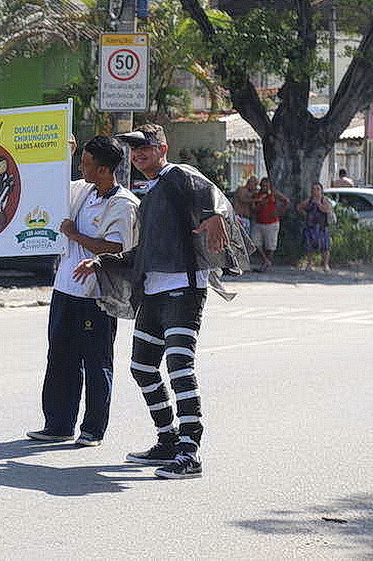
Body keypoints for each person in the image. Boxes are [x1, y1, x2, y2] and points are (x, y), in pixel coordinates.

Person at [73, 123, 252, 480]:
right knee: (142, 367)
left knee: (180, 367)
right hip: (153, 291)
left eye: (145, 148)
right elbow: (147, 249)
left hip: (183, 289)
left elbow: (213, 194)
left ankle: (190, 452)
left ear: (163, 148)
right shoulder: (150, 192)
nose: (138, 154)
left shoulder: (179, 175)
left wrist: (216, 215)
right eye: (134, 150)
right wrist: (104, 261)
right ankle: (167, 438)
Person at [26, 136, 139, 447]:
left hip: (96, 295)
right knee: (60, 357)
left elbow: (116, 247)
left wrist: (75, 235)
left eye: (87, 164)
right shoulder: (84, 190)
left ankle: (92, 430)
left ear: (104, 169)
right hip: (65, 288)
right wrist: (66, 153)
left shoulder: (123, 204)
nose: (82, 168)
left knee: (96, 361)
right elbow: (55, 186)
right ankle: (58, 425)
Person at [250, 177, 289, 271]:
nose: (265, 187)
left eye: (267, 185)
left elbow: (286, 201)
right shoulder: (257, 195)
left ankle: (266, 264)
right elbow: (253, 209)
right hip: (259, 222)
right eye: (263, 185)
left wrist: (279, 212)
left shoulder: (274, 194)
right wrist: (260, 204)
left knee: (270, 245)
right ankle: (266, 260)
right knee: (255, 242)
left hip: (272, 222)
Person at [298, 182, 333, 270]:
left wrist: (318, 204)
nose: (315, 191)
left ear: (321, 191)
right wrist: (305, 214)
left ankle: (325, 264)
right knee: (310, 246)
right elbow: (299, 207)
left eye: (318, 189)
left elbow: (327, 210)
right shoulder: (309, 200)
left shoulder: (324, 200)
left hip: (322, 227)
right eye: (313, 189)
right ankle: (309, 263)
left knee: (325, 247)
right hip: (311, 226)